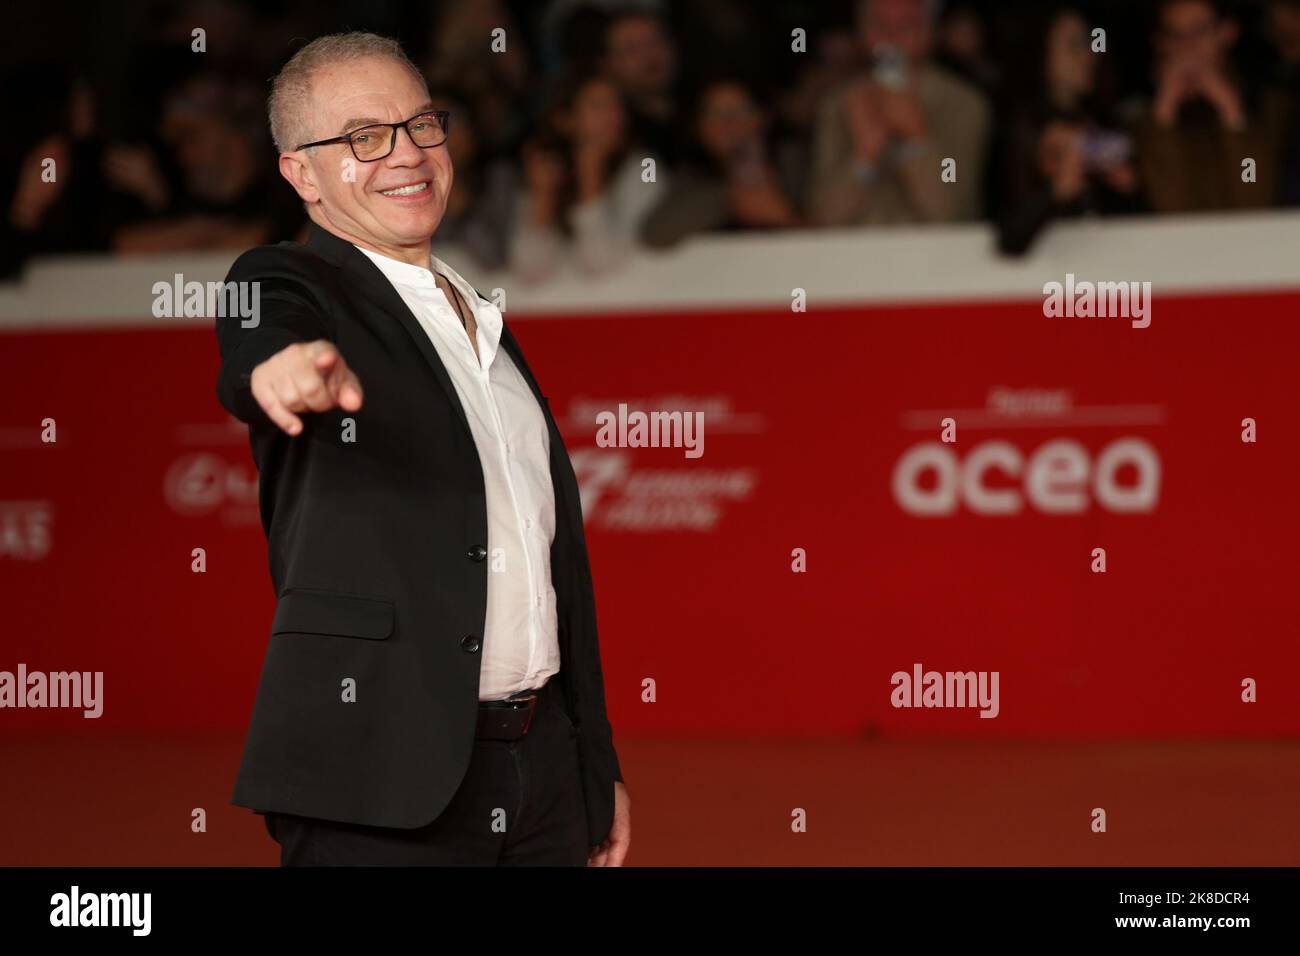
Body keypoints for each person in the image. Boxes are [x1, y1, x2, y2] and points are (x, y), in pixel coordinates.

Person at [213, 32, 630, 866]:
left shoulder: (482, 323)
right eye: (363, 136)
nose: (407, 153)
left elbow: (557, 575)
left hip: (541, 772)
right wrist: (280, 373)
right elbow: (262, 334)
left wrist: (592, 768)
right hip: (377, 783)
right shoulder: (292, 284)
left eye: (422, 124)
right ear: (302, 174)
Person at [808, 0, 991, 226]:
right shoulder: (836, 106)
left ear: (930, 33)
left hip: (934, 257)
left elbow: (952, 214)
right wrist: (864, 157)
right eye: (880, 25)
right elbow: (821, 219)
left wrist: (915, 140)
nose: (891, 38)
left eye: (907, 26)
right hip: (851, 255)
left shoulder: (963, 105)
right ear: (862, 32)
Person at [995, 6, 1141, 255]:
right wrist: (1058, 190)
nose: (1088, 57)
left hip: (1112, 282)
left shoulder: (1107, 123)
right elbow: (1009, 238)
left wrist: (1127, 187)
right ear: (1041, 53)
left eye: (1088, 44)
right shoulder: (1017, 129)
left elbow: (1146, 227)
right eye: (1073, 45)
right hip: (1046, 286)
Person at [510, 71, 665, 282]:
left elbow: (599, 261)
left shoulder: (642, 168)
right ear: (566, 120)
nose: (614, 116)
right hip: (560, 308)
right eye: (598, 106)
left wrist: (590, 175)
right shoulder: (547, 168)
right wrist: (544, 196)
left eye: (617, 105)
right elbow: (530, 270)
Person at [1135, 0, 1289, 212]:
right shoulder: (1142, 117)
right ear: (1161, 43)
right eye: (1175, 35)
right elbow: (1166, 207)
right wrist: (1164, 112)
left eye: (1199, 31)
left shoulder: (1268, 104)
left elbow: (1255, 199)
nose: (1187, 46)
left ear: (1227, 33)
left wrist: (1232, 115)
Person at [641, 78, 803, 248]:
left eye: (740, 110)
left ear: (763, 118)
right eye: (714, 114)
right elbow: (655, 235)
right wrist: (730, 197)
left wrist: (785, 217)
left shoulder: (792, 161)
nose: (728, 122)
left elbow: (826, 232)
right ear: (699, 128)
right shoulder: (693, 174)